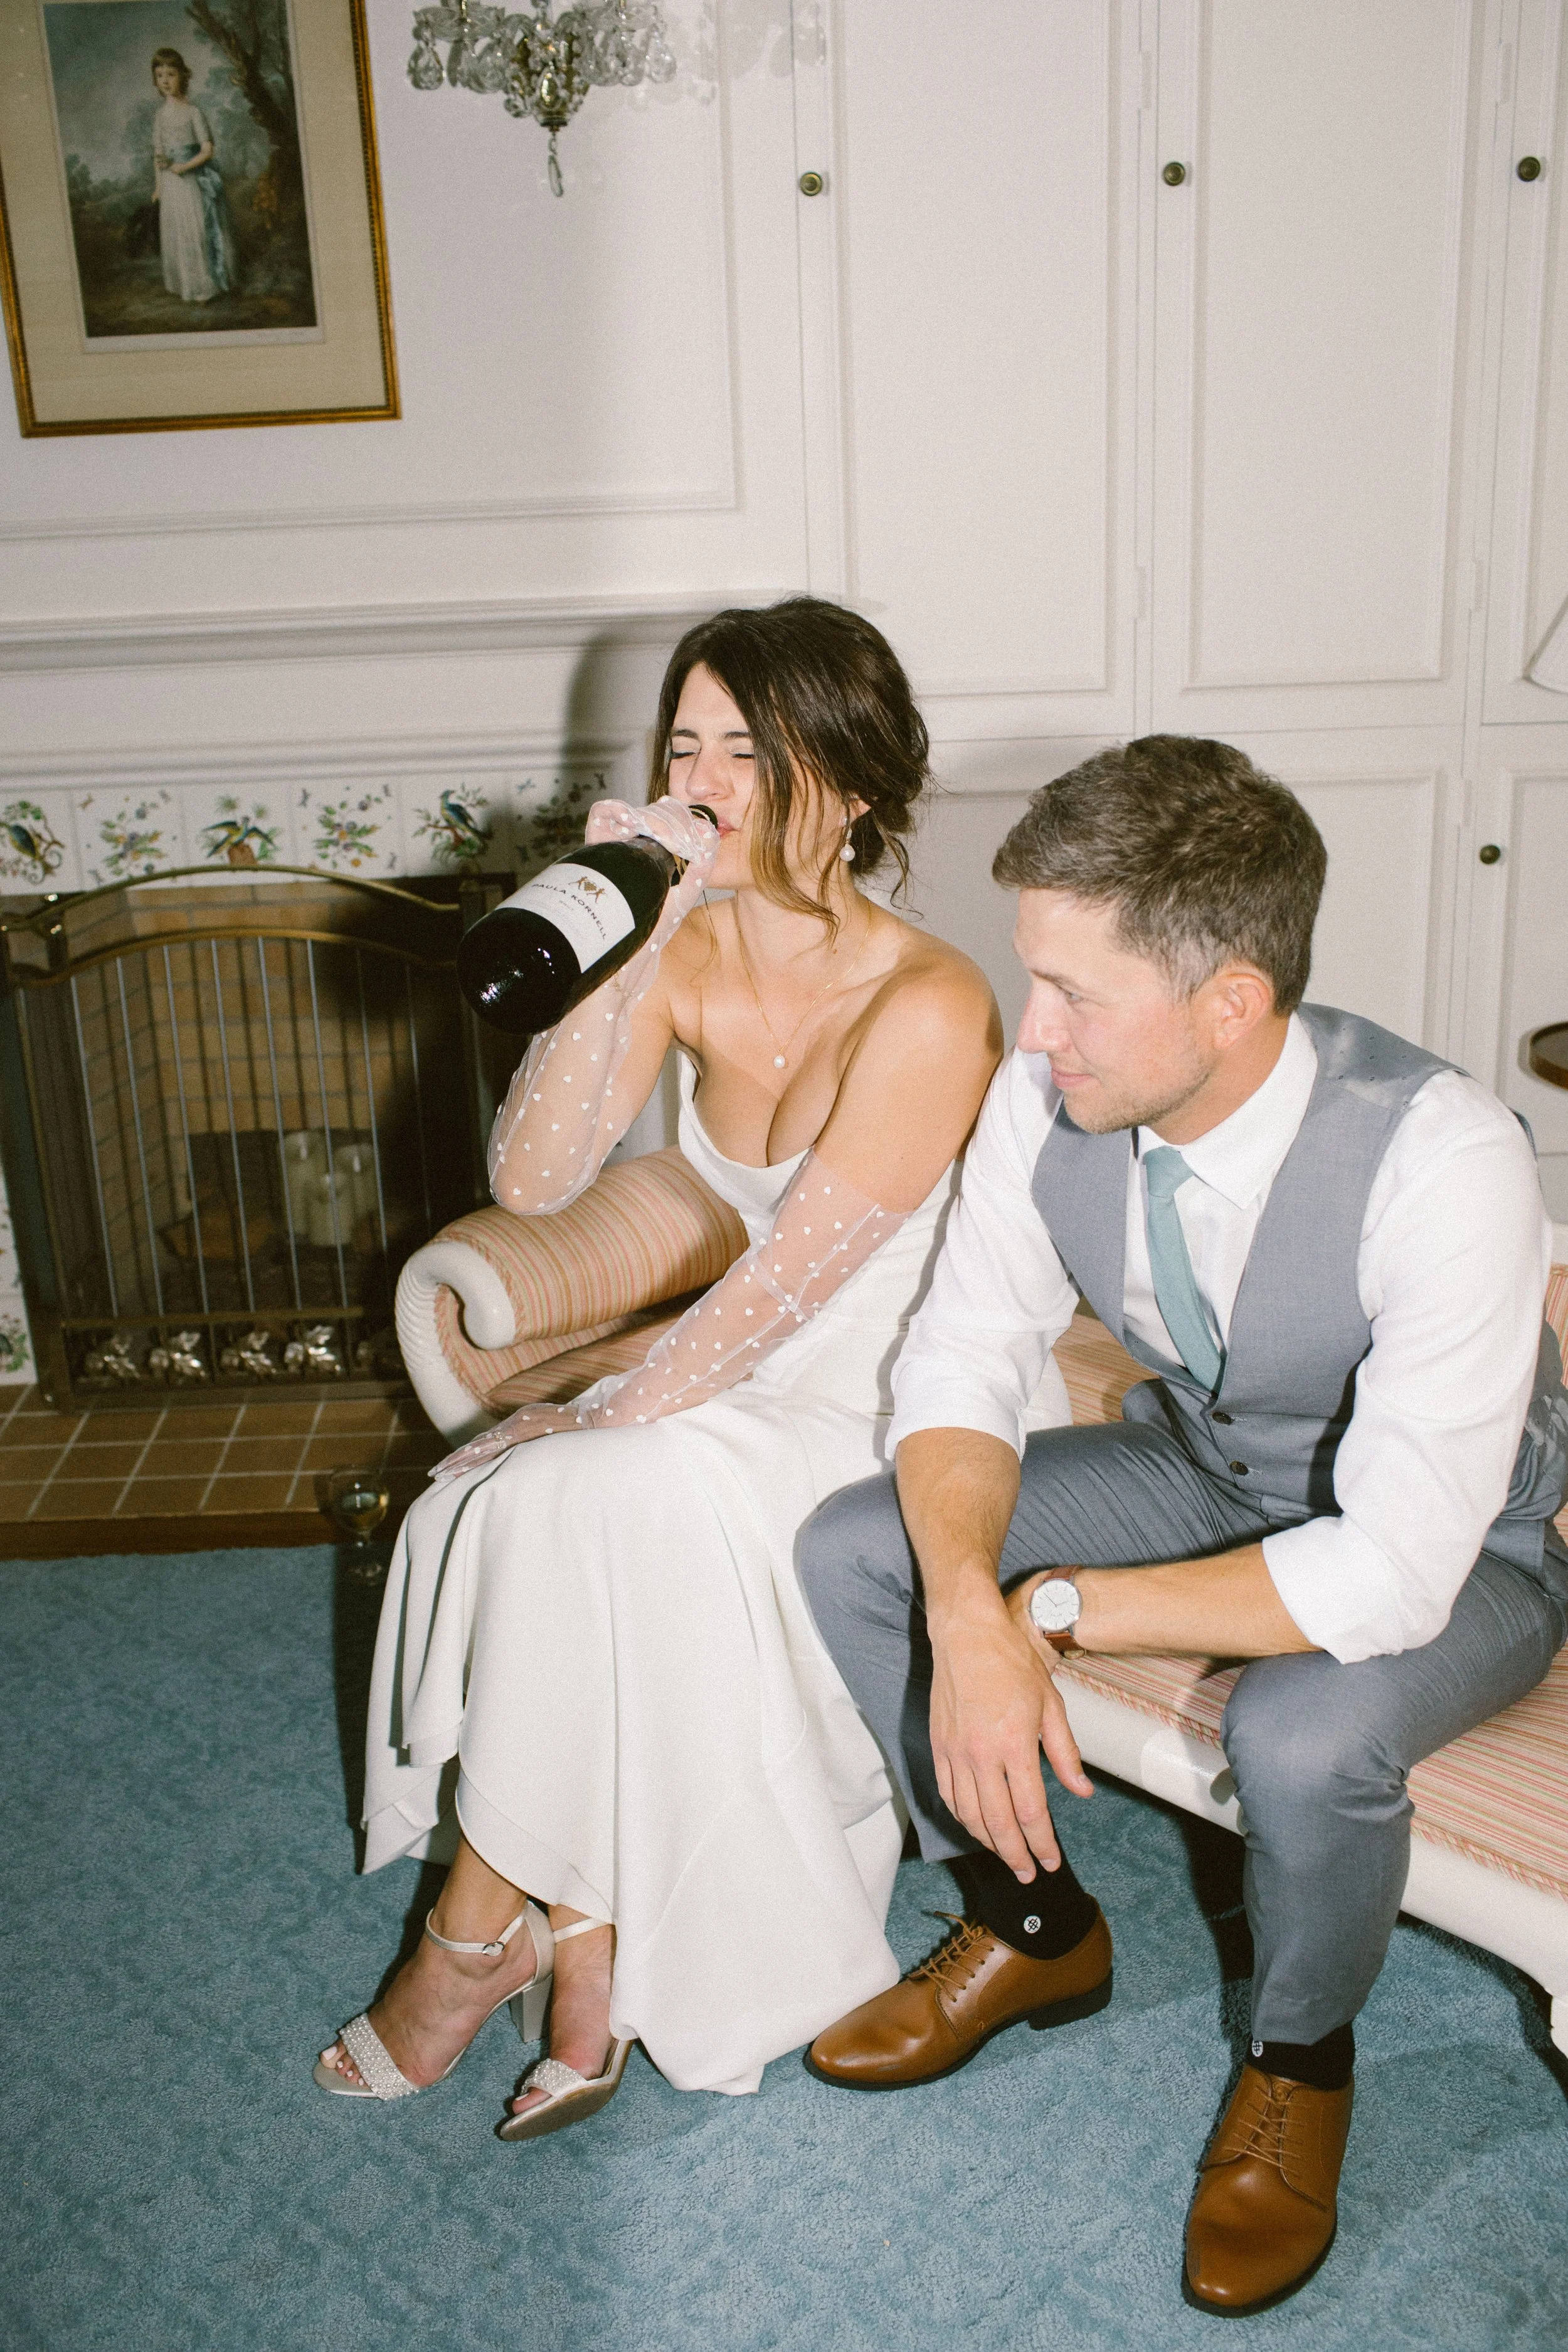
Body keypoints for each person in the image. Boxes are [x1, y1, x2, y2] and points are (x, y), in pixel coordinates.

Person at [797, 736, 1568, 2315]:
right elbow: (962, 1355)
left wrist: (1049, 1617)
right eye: (1036, 979)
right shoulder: (1047, 1096)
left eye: (1077, 992)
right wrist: (964, 1602)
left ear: (1230, 1000)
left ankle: (1299, 2062)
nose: (1035, 1030)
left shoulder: (1446, 1154)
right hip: (1208, 1464)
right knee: (855, 1546)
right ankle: (1031, 1925)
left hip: (1469, 1544)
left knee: (1298, 1738)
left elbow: (1398, 1559)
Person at [315, 597, 1011, 2133]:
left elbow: (780, 1296)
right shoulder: (681, 949)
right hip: (733, 1382)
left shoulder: (931, 998)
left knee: (576, 1488)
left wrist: (588, 1404)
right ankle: (569, 1940)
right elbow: (539, 1173)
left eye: (746, 752)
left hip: (876, 1397)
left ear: (852, 782)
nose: (704, 779)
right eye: (683, 746)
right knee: (573, 1500)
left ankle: (479, 1935)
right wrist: (628, 948)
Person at [150, 48, 235, 305]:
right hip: (172, 184)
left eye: (171, 74)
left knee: (197, 231)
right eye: (160, 75)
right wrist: (159, 187)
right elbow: (158, 153)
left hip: (193, 183)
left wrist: (184, 167)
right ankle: (186, 284)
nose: (165, 81)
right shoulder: (160, 116)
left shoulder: (193, 112)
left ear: (183, 77)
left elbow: (208, 150)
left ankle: (205, 287)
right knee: (179, 233)